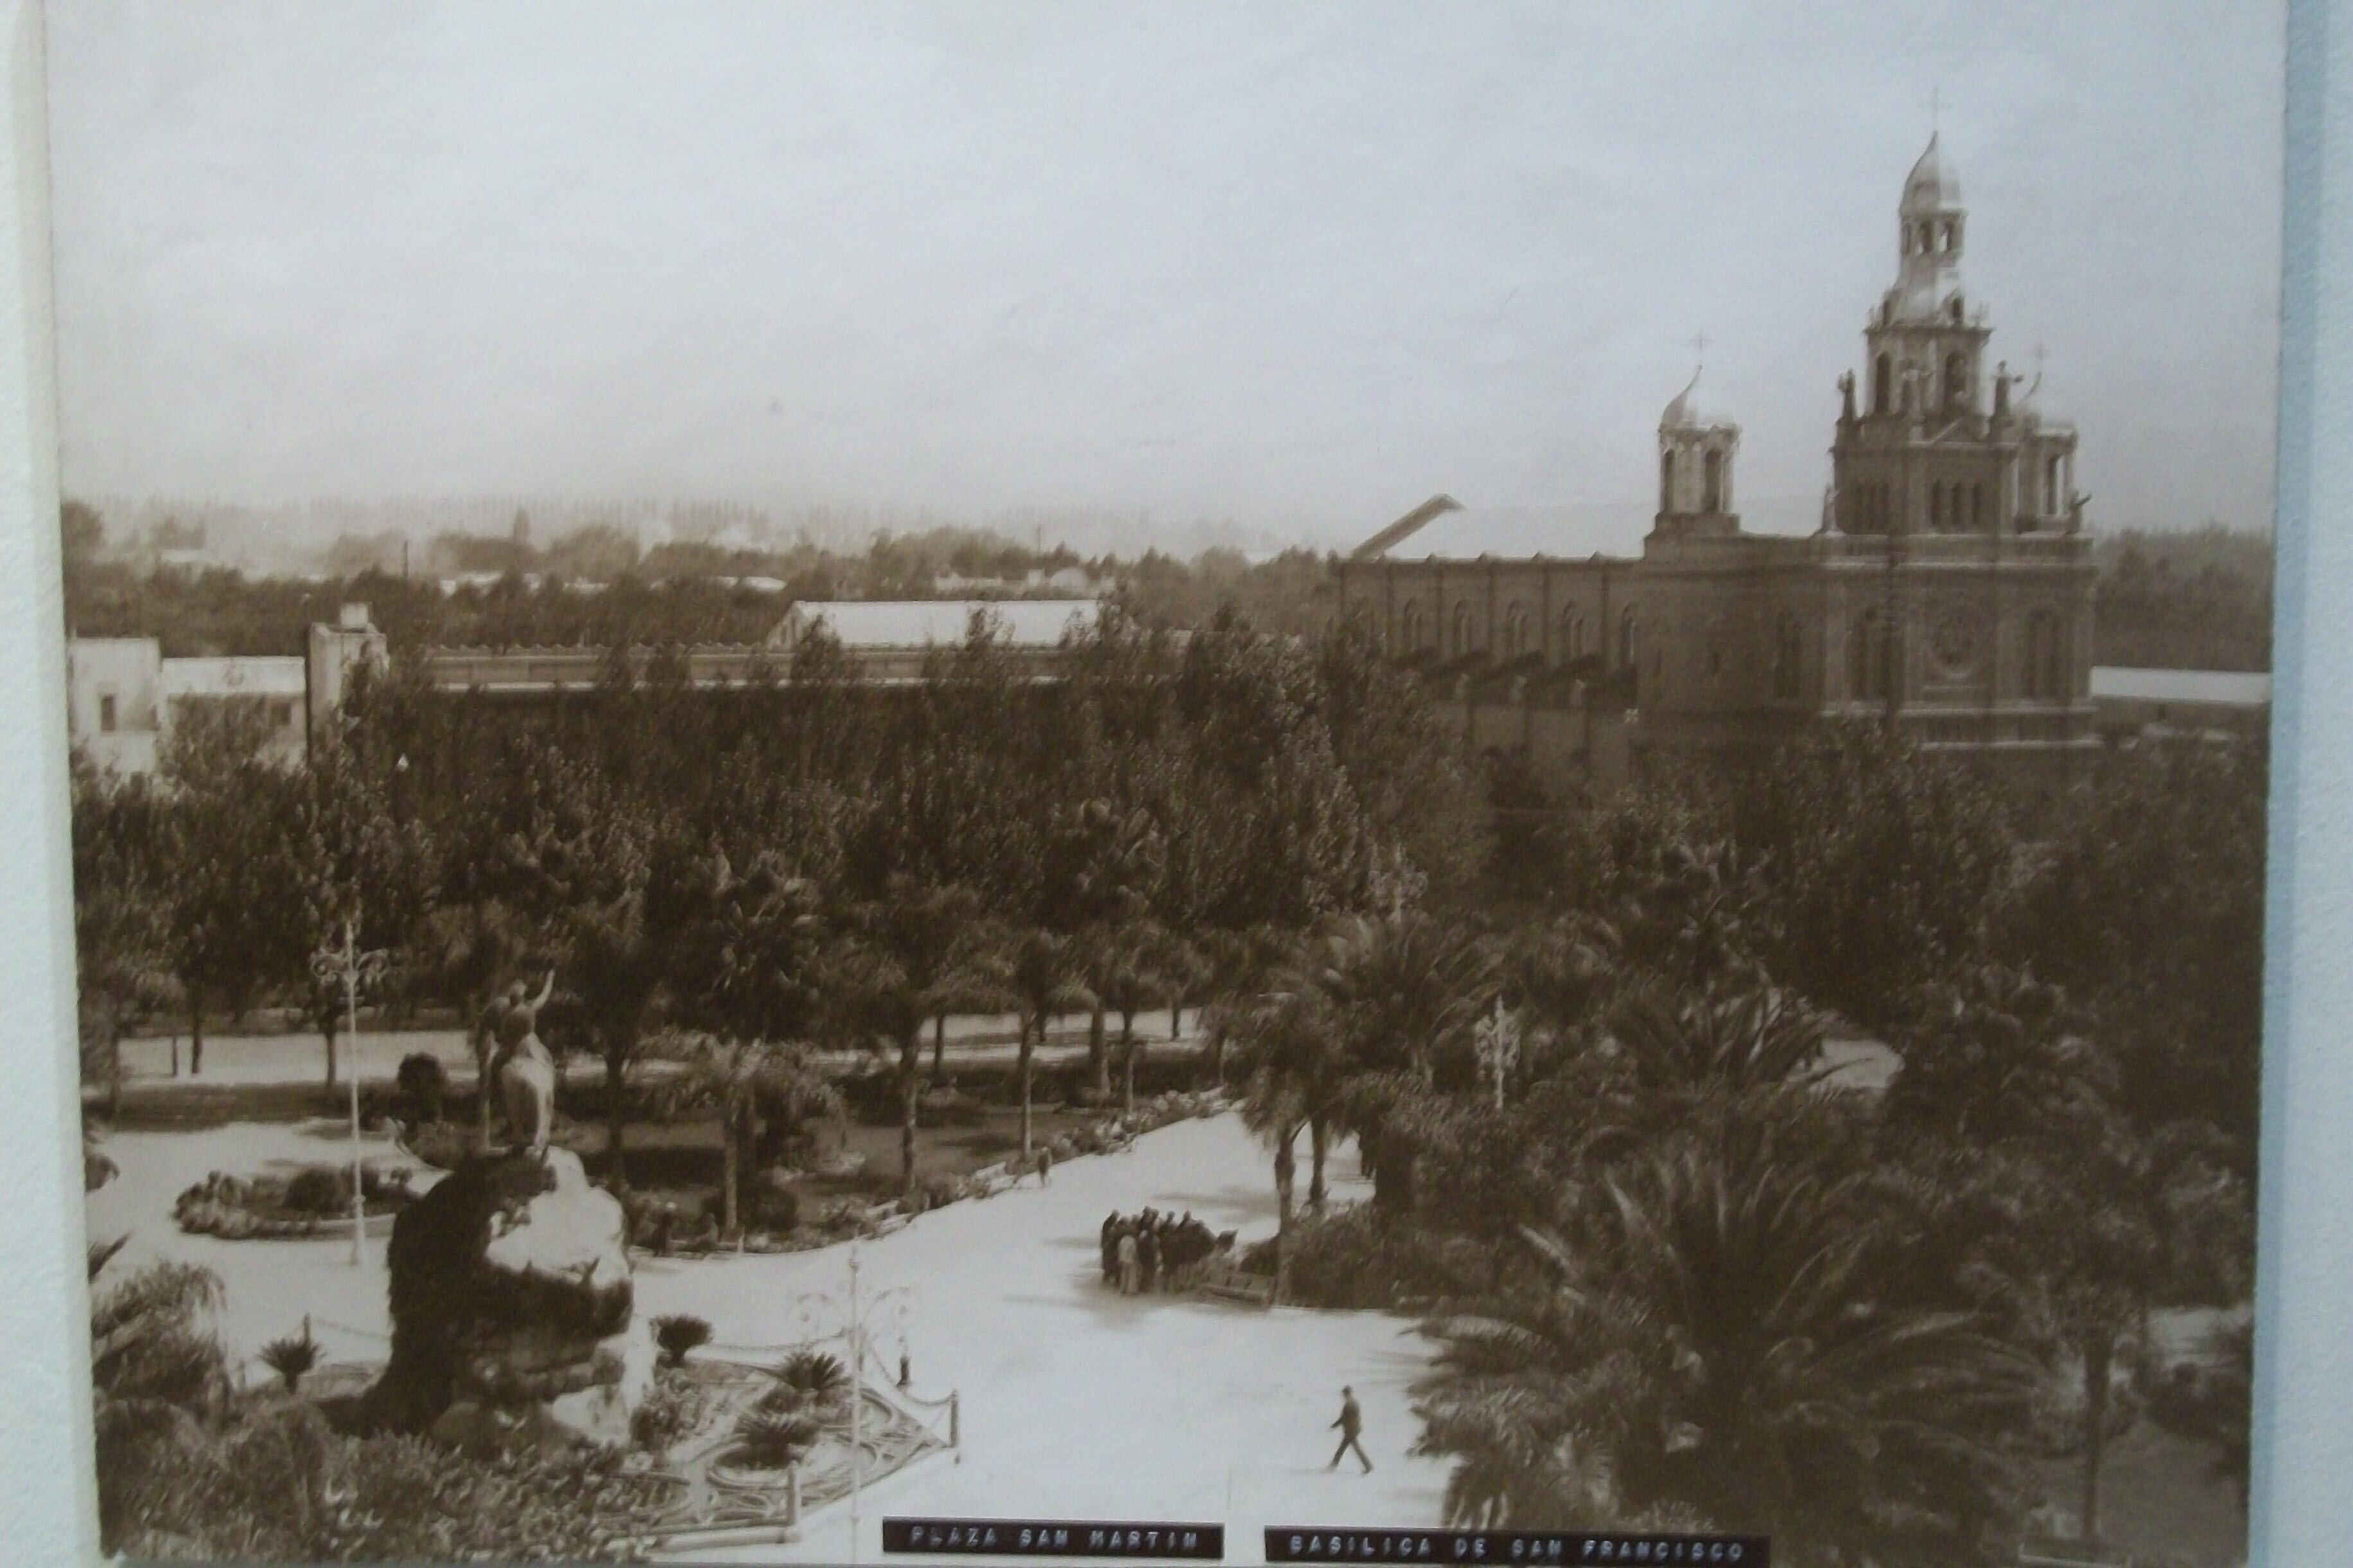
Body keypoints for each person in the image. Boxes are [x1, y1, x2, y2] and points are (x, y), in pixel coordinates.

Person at [489, 970, 557, 1156]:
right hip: (530, 1047)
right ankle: (549, 1108)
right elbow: (544, 996)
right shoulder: (529, 1008)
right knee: (548, 1066)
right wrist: (550, 979)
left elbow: (501, 1036)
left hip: (514, 1049)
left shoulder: (507, 1014)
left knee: (497, 1070)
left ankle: (501, 1110)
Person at [1329, 1386, 1373, 1473]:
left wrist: (1335, 1425)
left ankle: (1368, 1466)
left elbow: (1345, 1418)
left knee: (1355, 1448)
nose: (1343, 1395)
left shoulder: (1350, 1404)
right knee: (1343, 1447)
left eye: (1344, 1394)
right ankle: (1334, 1464)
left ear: (1347, 1393)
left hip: (1351, 1430)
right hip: (1353, 1429)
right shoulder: (1353, 1402)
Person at [1117, 1226, 1141, 1295]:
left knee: (1124, 1275)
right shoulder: (1132, 1240)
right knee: (1132, 1275)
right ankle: (1131, 1290)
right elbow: (1134, 1251)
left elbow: (1119, 1249)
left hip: (1123, 1259)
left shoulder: (1122, 1240)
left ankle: (1123, 1289)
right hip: (1131, 1260)